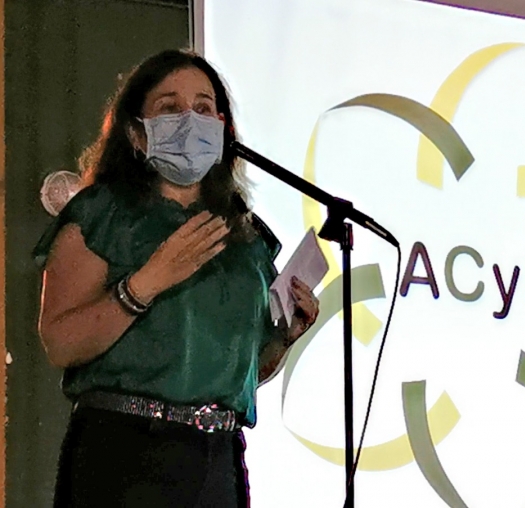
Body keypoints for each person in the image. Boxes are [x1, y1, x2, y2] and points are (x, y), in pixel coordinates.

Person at [33, 49, 318, 507]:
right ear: (136, 133)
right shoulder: (101, 214)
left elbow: (241, 371)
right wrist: (146, 282)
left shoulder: (244, 237)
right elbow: (60, 343)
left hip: (219, 458)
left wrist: (284, 339)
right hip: (125, 455)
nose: (189, 120)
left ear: (223, 129)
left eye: (203, 108)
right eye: (170, 108)